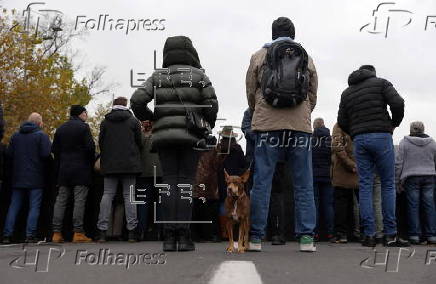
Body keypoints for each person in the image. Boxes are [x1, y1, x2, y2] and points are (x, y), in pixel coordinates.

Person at [131, 36, 218, 251]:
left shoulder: (157, 76)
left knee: (169, 184)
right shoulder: (199, 76)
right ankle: (184, 236)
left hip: (164, 139)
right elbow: (212, 105)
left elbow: (137, 100)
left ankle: (169, 238)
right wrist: (205, 124)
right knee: (186, 184)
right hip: (191, 138)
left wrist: (152, 118)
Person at [246, 17, 318, 252]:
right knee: (303, 183)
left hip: (267, 126)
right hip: (299, 127)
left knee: (262, 182)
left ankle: (256, 237)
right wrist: (303, 112)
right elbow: (312, 91)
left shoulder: (259, 55)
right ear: (293, 34)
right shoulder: (305, 55)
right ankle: (306, 237)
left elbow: (250, 90)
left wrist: (259, 112)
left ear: (273, 32)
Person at [337, 64, 408, 247]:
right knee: (387, 184)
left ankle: (368, 235)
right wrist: (393, 124)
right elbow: (398, 103)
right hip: (382, 136)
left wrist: (354, 132)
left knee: (365, 186)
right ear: (372, 74)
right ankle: (390, 234)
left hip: (360, 140)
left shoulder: (347, 93)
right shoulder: (381, 83)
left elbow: (342, 121)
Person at [97, 97, 143, 242]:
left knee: (107, 195)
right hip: (129, 165)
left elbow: (101, 143)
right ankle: (131, 232)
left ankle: (102, 231)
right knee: (129, 197)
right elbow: (139, 142)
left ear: (113, 105)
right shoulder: (133, 121)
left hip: (110, 165)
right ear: (126, 105)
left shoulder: (105, 122)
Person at [2, 113, 51, 243]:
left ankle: (7, 234)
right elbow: (46, 154)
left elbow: (9, 154)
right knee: (34, 206)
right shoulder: (41, 136)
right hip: (36, 177)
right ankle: (30, 234)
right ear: (40, 123)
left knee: (14, 206)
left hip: (17, 177)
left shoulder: (15, 136)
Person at [51, 105, 95, 243]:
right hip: (81, 169)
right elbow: (90, 148)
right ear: (81, 114)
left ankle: (56, 233)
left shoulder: (61, 128)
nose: (86, 115)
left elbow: (55, 150)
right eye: (85, 113)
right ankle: (78, 233)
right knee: (79, 201)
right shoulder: (84, 127)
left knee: (61, 200)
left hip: (64, 170)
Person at [395, 121, 436, 245]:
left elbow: (398, 163)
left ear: (411, 129)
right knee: (429, 205)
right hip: (430, 176)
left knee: (413, 206)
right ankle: (432, 235)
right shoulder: (432, 143)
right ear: (423, 129)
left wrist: (397, 181)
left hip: (411, 177)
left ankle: (414, 235)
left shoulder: (404, 143)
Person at [331, 123, 359, 243]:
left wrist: (349, 163)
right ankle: (355, 232)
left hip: (343, 170)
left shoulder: (339, 126)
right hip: (359, 170)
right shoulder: (359, 124)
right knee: (355, 204)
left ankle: (341, 234)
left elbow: (337, 146)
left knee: (341, 203)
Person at [136, 120, 163, 241]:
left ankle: (141, 231)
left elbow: (137, 146)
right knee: (159, 203)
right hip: (160, 173)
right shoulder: (161, 135)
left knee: (143, 203)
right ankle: (160, 232)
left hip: (143, 173)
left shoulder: (140, 136)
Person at [312, 118, 334, 241]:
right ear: (324, 125)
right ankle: (330, 232)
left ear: (314, 127)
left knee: (315, 204)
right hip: (327, 175)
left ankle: (314, 233)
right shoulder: (331, 140)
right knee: (328, 205)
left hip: (314, 175)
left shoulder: (310, 140)